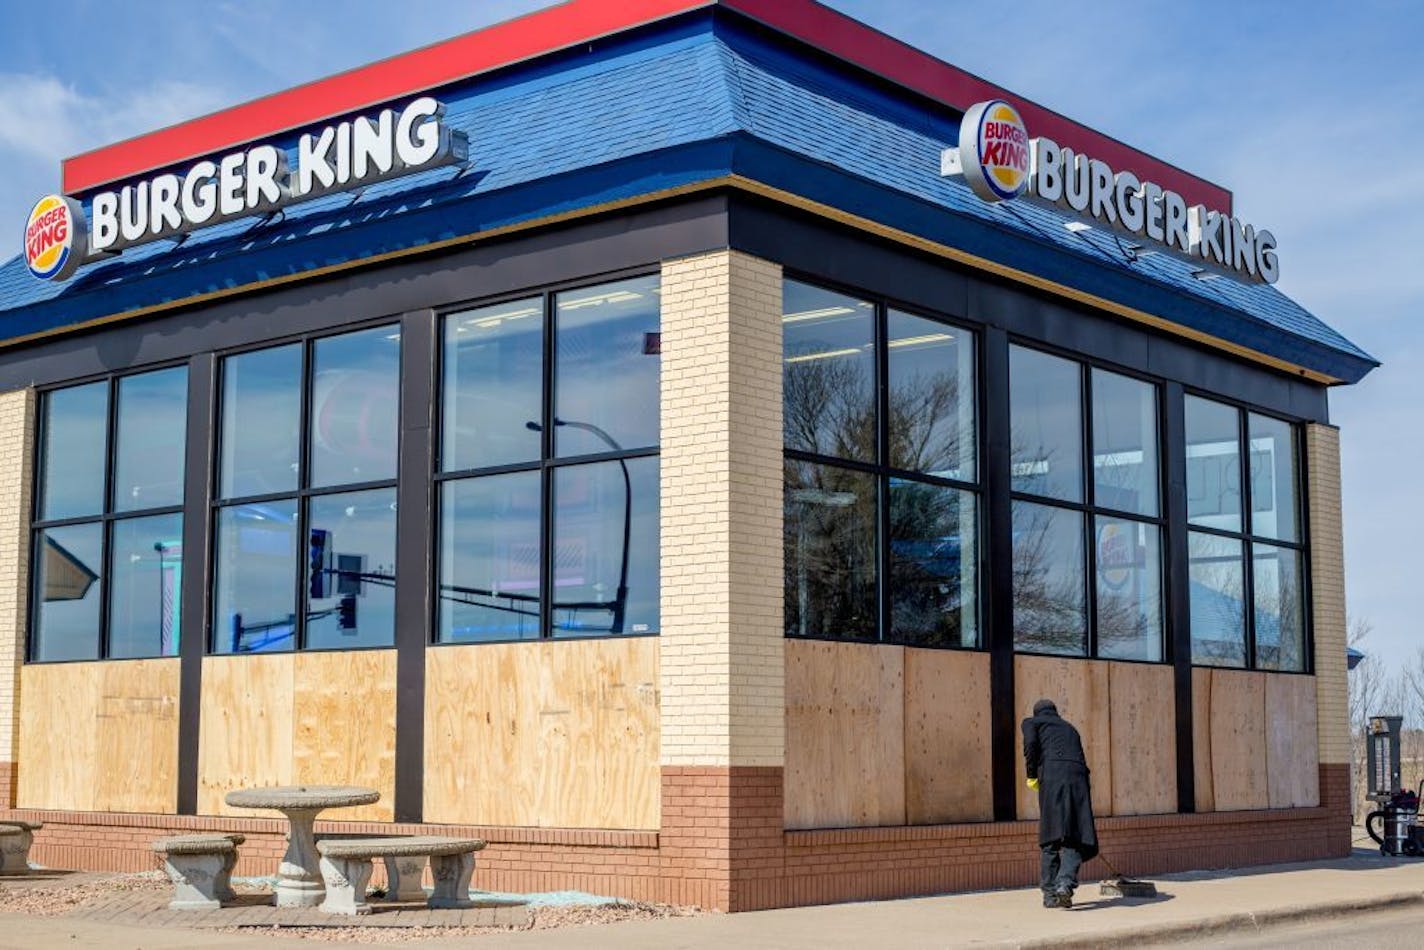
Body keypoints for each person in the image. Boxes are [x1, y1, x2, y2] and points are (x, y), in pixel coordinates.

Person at [1022, 698, 1098, 908]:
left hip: (1053, 778)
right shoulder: (1070, 728)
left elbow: (1030, 746)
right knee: (1074, 835)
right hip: (1078, 779)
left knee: (1050, 839)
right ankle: (1064, 883)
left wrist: (1031, 775)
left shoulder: (1032, 723)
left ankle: (1050, 895)